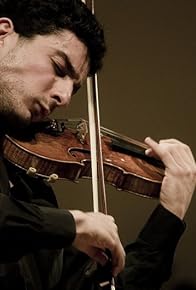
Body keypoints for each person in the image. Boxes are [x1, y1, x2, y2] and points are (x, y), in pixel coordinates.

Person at [0, 0, 195, 290]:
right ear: (3, 33)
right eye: (58, 66)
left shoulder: (30, 190)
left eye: (75, 87)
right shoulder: (53, 223)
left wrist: (170, 214)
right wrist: (71, 225)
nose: (65, 97)